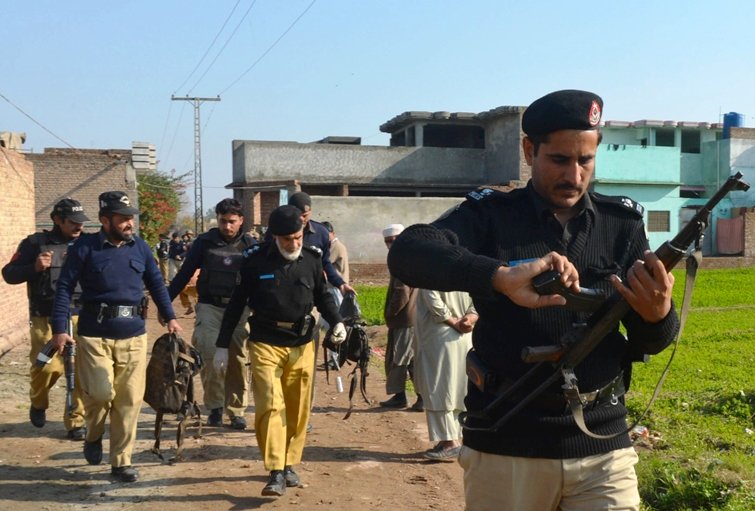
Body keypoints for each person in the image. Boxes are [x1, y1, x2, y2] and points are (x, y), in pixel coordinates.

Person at [387, 90, 680, 510]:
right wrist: (498, 276)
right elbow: (409, 252)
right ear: (529, 150)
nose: (574, 175)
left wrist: (658, 315)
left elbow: (650, 341)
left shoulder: (623, 224)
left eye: (586, 161)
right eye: (560, 160)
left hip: (602, 440)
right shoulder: (491, 215)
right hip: (507, 439)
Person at [214, 205, 346, 497]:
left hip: (302, 344)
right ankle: (275, 470)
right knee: (271, 406)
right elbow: (237, 303)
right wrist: (223, 345)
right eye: (288, 239)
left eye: (298, 237)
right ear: (275, 236)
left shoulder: (312, 259)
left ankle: (289, 464)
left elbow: (323, 297)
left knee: (298, 408)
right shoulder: (254, 261)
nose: (294, 244)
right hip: (265, 341)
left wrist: (337, 322)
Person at [49, 191, 181, 483]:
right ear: (105, 220)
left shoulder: (141, 248)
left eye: (130, 217)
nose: (129, 223)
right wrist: (60, 329)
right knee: (100, 394)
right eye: (122, 218)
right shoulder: (84, 248)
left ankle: (121, 461)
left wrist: (169, 316)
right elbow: (64, 289)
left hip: (133, 336)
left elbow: (157, 283)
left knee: (129, 400)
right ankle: (93, 435)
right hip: (94, 336)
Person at [1, 198, 90, 440]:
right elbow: (9, 274)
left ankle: (76, 421)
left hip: (80, 316)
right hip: (45, 319)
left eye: (81, 222)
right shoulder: (34, 244)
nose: (78, 227)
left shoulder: (88, 244)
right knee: (46, 367)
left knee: (80, 371)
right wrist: (34, 267)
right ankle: (38, 402)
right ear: (56, 220)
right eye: (72, 222)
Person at [168, 198, 256, 429]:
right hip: (209, 306)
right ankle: (215, 407)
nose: (227, 226)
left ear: (241, 221)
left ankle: (236, 410)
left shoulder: (251, 245)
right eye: (223, 221)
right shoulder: (204, 243)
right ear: (217, 220)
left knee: (237, 358)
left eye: (232, 222)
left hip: (240, 309)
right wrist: (166, 304)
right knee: (208, 353)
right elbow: (185, 273)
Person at [414, 289, 477, 461]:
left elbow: (433, 301)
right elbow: (478, 298)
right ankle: (452, 438)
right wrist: (470, 318)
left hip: (440, 335)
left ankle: (450, 442)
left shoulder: (431, 267)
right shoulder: (467, 265)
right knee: (457, 387)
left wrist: (453, 322)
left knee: (438, 387)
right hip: (464, 336)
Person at [380, 224, 421, 411]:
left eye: (394, 240)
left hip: (405, 319)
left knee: (401, 359)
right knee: (409, 358)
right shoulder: (410, 257)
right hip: (411, 318)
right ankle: (418, 397)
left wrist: (390, 312)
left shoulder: (402, 260)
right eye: (388, 242)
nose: (390, 244)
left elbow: (401, 292)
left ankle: (404, 397)